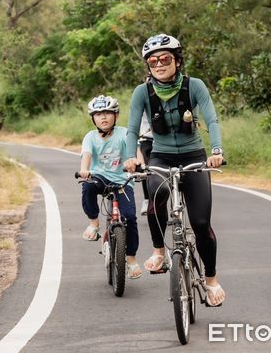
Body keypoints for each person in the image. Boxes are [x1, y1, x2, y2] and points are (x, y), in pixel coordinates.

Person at [123, 34, 226, 306]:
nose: (159, 64)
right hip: (161, 157)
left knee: (202, 223)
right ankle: (159, 252)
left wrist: (216, 151)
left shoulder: (195, 86)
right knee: (155, 199)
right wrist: (129, 158)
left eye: (165, 59)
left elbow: (212, 119)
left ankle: (212, 280)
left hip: (194, 156)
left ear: (177, 61)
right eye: (153, 61)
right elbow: (132, 129)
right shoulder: (141, 93)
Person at [79, 95, 142, 279]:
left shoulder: (124, 133)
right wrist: (84, 170)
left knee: (130, 217)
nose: (103, 117)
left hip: (122, 181)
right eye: (98, 114)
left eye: (107, 113)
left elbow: (135, 152)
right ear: (93, 118)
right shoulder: (90, 137)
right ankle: (94, 224)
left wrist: (139, 164)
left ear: (116, 115)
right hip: (99, 178)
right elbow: (87, 156)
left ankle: (131, 259)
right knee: (88, 186)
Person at [138, 113, 153, 216]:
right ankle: (147, 199)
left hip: (170, 139)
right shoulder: (143, 96)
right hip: (147, 138)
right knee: (145, 168)